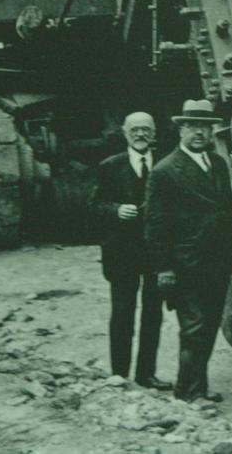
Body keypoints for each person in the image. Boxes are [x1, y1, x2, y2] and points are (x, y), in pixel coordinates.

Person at [145, 99, 232, 403]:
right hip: (187, 264)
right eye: (192, 126)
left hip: (218, 261)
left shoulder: (218, 164)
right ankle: (188, 394)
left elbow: (227, 211)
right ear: (181, 129)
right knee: (194, 329)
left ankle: (197, 386)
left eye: (205, 127)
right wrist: (164, 269)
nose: (199, 132)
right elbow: (156, 226)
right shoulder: (165, 171)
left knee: (209, 327)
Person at [89, 111, 169, 391]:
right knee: (122, 312)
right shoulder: (110, 166)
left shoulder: (165, 165)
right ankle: (119, 373)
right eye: (134, 129)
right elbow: (94, 205)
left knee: (153, 313)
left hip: (156, 253)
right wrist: (116, 210)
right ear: (124, 133)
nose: (140, 134)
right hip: (122, 253)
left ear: (155, 133)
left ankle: (147, 374)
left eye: (146, 129)